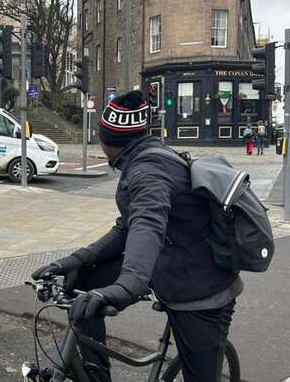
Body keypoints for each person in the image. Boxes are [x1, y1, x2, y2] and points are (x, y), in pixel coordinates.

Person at [32, 90, 242, 382]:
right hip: (168, 262)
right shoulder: (142, 157)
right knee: (84, 281)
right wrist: (78, 259)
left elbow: (148, 223)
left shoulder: (148, 171)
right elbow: (127, 226)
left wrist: (128, 284)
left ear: (108, 143)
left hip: (202, 288)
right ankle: (96, 374)